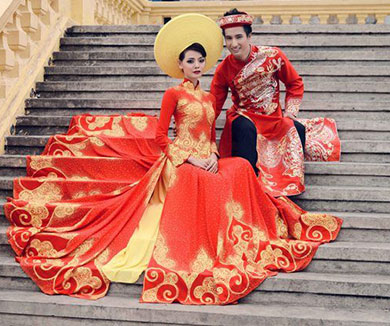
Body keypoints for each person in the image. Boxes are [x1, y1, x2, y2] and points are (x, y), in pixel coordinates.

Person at [4, 14, 341, 305]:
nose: (195, 65)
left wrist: (210, 153)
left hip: (210, 152)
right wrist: (192, 160)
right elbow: (160, 137)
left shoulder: (210, 96)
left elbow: (211, 131)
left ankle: (243, 228)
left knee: (237, 167)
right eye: (190, 61)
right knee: (200, 178)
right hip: (178, 161)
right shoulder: (173, 93)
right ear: (180, 65)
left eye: (199, 61)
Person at [211, 9, 341, 197]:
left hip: (273, 118)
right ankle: (251, 186)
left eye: (239, 37)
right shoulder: (223, 69)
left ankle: (288, 184)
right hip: (244, 117)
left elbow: (295, 83)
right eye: (229, 38)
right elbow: (213, 106)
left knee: (297, 129)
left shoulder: (273, 56)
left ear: (250, 35)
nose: (234, 44)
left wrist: (291, 112)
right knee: (245, 132)